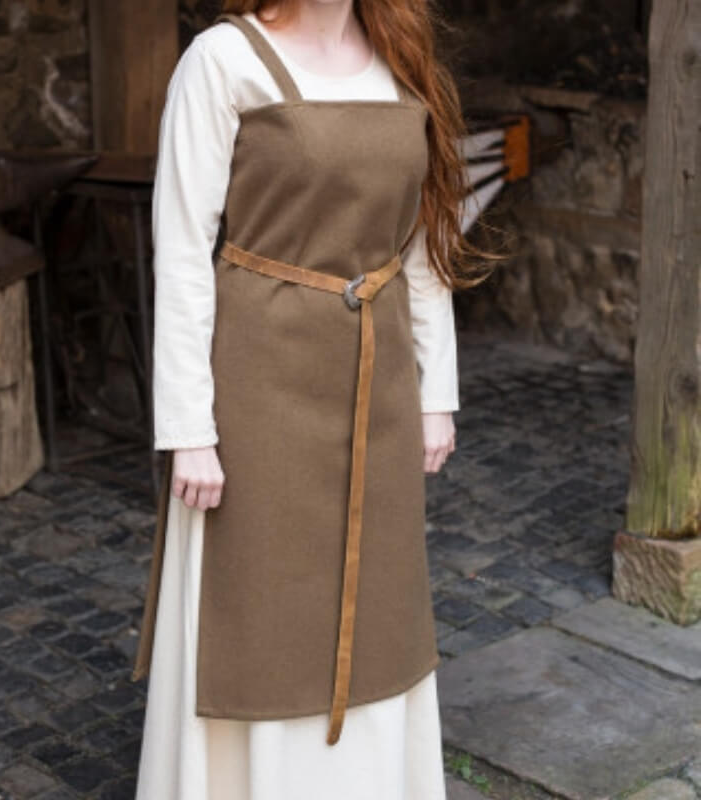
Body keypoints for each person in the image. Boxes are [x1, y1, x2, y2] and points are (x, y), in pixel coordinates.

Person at [132, 1, 490, 797]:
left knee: (381, 604)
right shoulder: (222, 61)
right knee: (260, 603)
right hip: (258, 384)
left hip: (380, 379)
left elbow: (422, 241)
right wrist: (189, 428)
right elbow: (183, 251)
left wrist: (436, 391)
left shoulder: (402, 59)